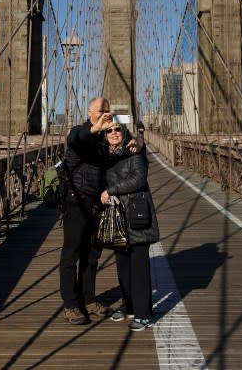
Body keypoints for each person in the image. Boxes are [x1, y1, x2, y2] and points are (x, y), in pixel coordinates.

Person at [59, 96, 115, 325]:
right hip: (76, 200)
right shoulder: (80, 132)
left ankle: (89, 300)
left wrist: (133, 143)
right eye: (102, 109)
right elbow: (74, 139)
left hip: (97, 203)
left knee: (92, 255)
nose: (106, 113)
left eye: (108, 110)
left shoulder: (106, 138)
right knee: (71, 254)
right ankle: (71, 305)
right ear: (90, 112)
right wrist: (95, 129)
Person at [100, 120, 159, 331]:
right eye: (109, 130)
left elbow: (139, 179)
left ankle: (144, 314)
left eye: (118, 129)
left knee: (139, 268)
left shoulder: (134, 149)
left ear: (124, 132)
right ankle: (129, 305)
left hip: (136, 215)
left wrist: (112, 190)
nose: (114, 132)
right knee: (123, 268)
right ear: (104, 135)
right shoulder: (104, 156)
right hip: (117, 217)